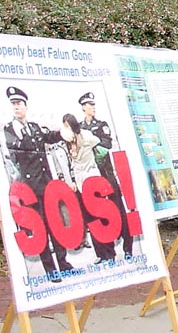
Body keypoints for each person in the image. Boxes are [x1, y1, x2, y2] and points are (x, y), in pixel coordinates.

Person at [3, 86, 73, 281]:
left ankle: (63, 263)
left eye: (19, 103)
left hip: (46, 185)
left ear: (26, 106)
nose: (16, 107)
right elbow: (16, 150)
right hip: (31, 189)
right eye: (13, 104)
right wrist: (23, 135)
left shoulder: (34, 127)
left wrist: (61, 133)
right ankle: (51, 269)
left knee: (55, 224)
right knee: (41, 228)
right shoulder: (10, 129)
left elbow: (48, 137)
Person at [78, 92, 133, 259]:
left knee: (118, 211)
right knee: (97, 215)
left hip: (106, 175)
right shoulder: (80, 128)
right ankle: (106, 254)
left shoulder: (101, 125)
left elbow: (107, 144)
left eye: (93, 104)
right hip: (90, 178)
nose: (93, 107)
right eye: (89, 105)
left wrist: (91, 148)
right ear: (83, 107)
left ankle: (128, 248)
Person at [61, 113, 116, 263]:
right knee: (90, 219)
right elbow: (71, 163)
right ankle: (101, 254)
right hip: (79, 183)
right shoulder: (67, 143)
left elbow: (101, 142)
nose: (66, 129)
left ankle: (110, 253)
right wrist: (72, 180)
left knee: (101, 216)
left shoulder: (86, 136)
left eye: (68, 125)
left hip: (92, 178)